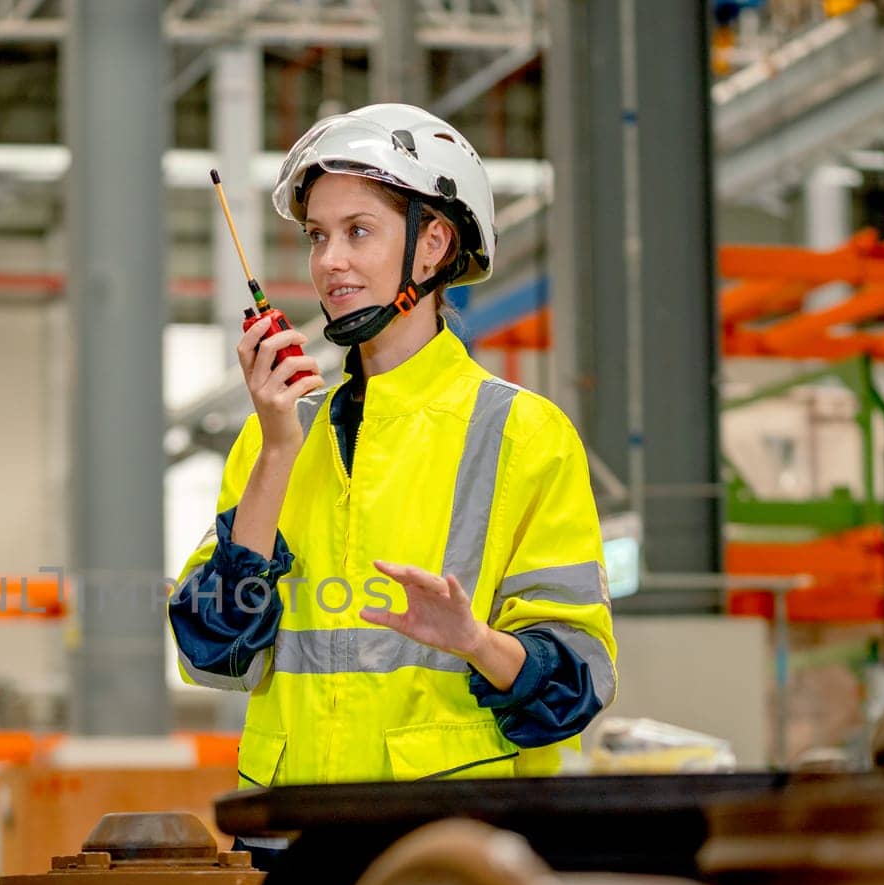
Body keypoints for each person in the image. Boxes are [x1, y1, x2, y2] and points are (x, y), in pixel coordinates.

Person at [170, 103, 616, 789]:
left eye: (358, 231)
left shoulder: (522, 434)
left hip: (449, 842)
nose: (331, 262)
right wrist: (279, 452)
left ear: (433, 243)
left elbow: (574, 688)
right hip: (292, 840)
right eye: (318, 236)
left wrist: (473, 641)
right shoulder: (276, 436)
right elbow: (215, 655)